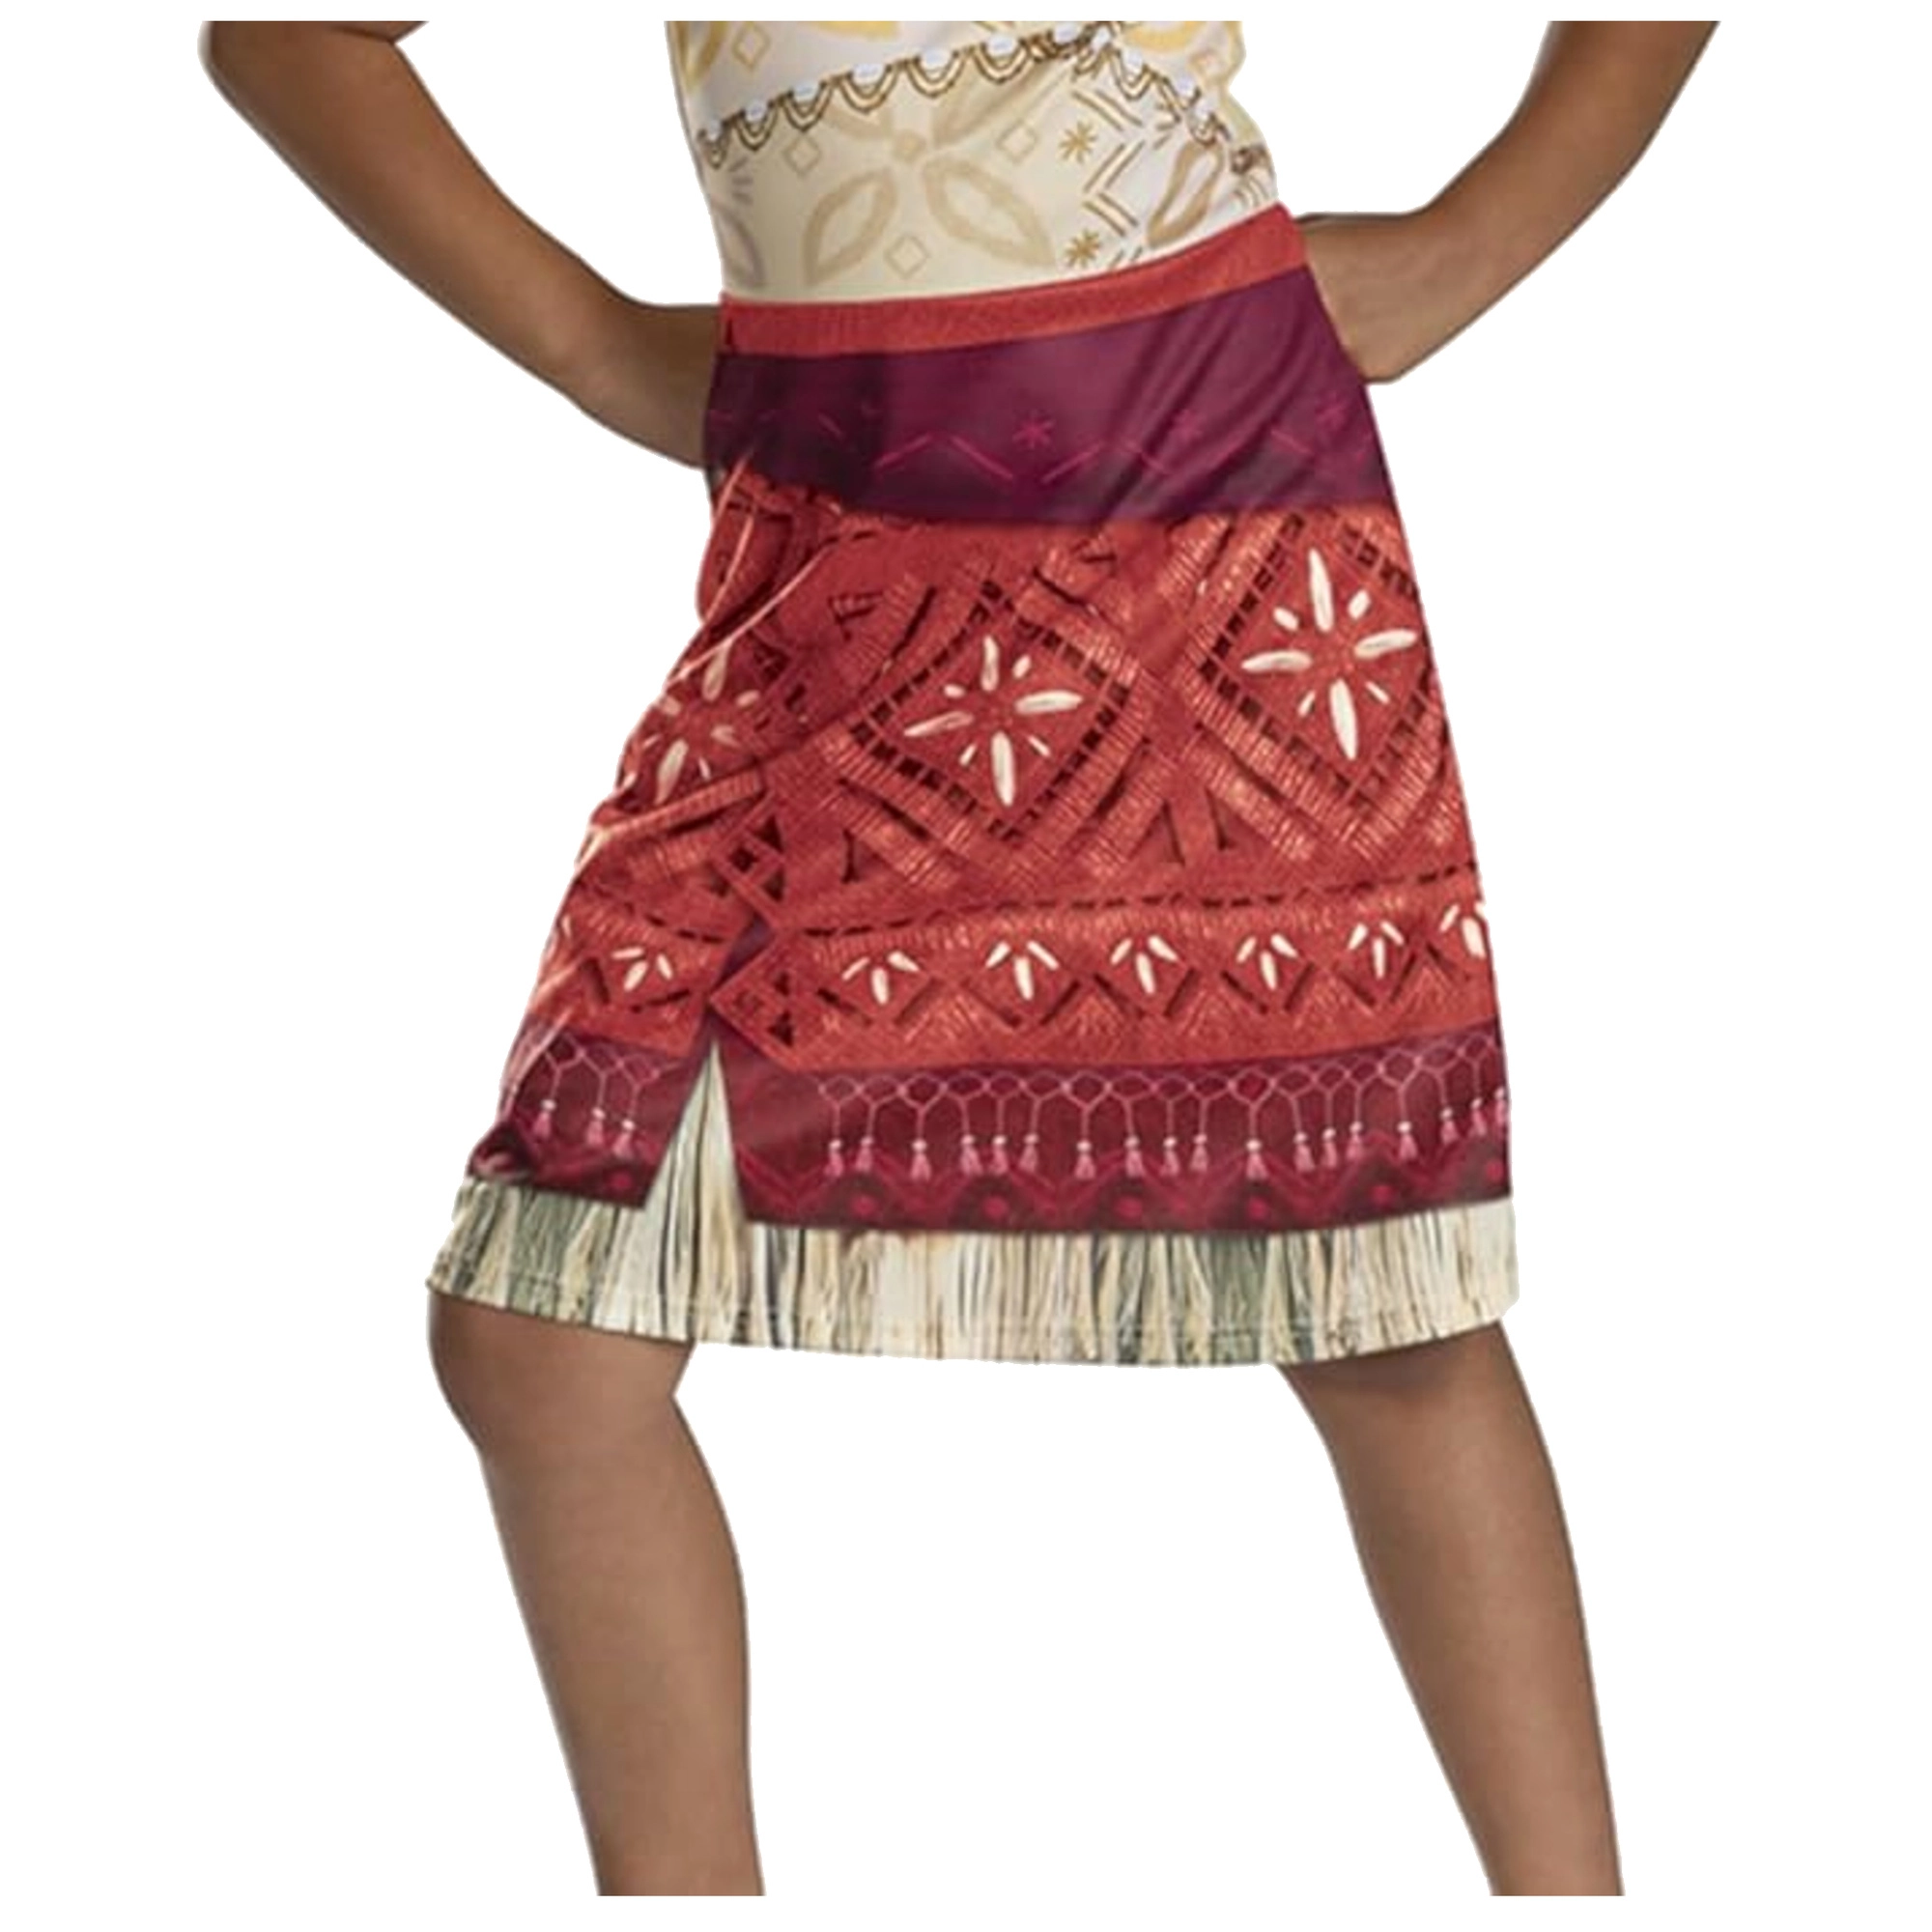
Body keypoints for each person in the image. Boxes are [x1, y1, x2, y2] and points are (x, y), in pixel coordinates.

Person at [199, 17, 1718, 1896]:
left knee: (1374, 1299)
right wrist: (594, 343)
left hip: (1201, 500)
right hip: (824, 558)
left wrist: (1482, 233)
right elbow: (291, 37)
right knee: (541, 1340)